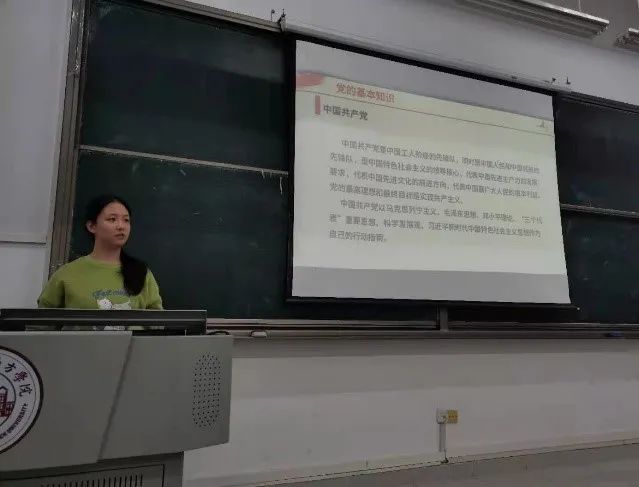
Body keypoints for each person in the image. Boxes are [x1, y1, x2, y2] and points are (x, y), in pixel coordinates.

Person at [38, 194, 162, 310]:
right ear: (92, 226)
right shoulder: (67, 274)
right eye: (112, 219)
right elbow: (42, 321)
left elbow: (156, 322)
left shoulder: (141, 273)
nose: (121, 226)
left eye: (126, 220)